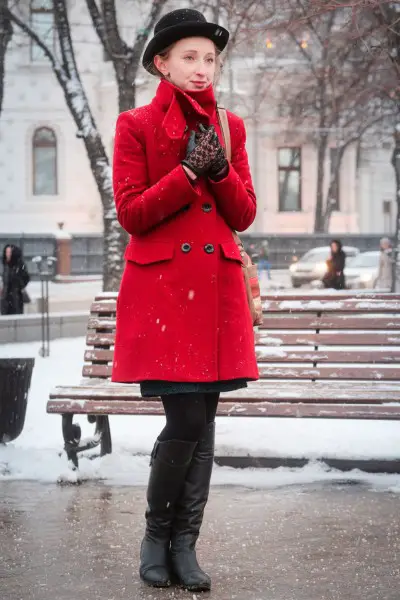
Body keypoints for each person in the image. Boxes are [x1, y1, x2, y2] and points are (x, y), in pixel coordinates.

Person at [111, 8, 258, 592]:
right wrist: (187, 175)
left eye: (210, 59)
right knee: (187, 415)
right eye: (189, 58)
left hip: (215, 292)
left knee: (206, 421)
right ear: (161, 63)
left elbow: (244, 213)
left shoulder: (231, 126)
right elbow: (132, 214)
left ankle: (184, 546)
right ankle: (155, 536)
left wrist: (219, 169)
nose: (202, 69)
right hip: (167, 292)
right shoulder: (137, 125)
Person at [1, 244, 30, 315]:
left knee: (16, 315)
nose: (7, 254)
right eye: (6, 252)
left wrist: (19, 286)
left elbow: (26, 277)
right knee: (5, 316)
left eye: (9, 252)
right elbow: (5, 280)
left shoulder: (19, 265)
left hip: (16, 297)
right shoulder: (5, 265)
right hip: (5, 298)